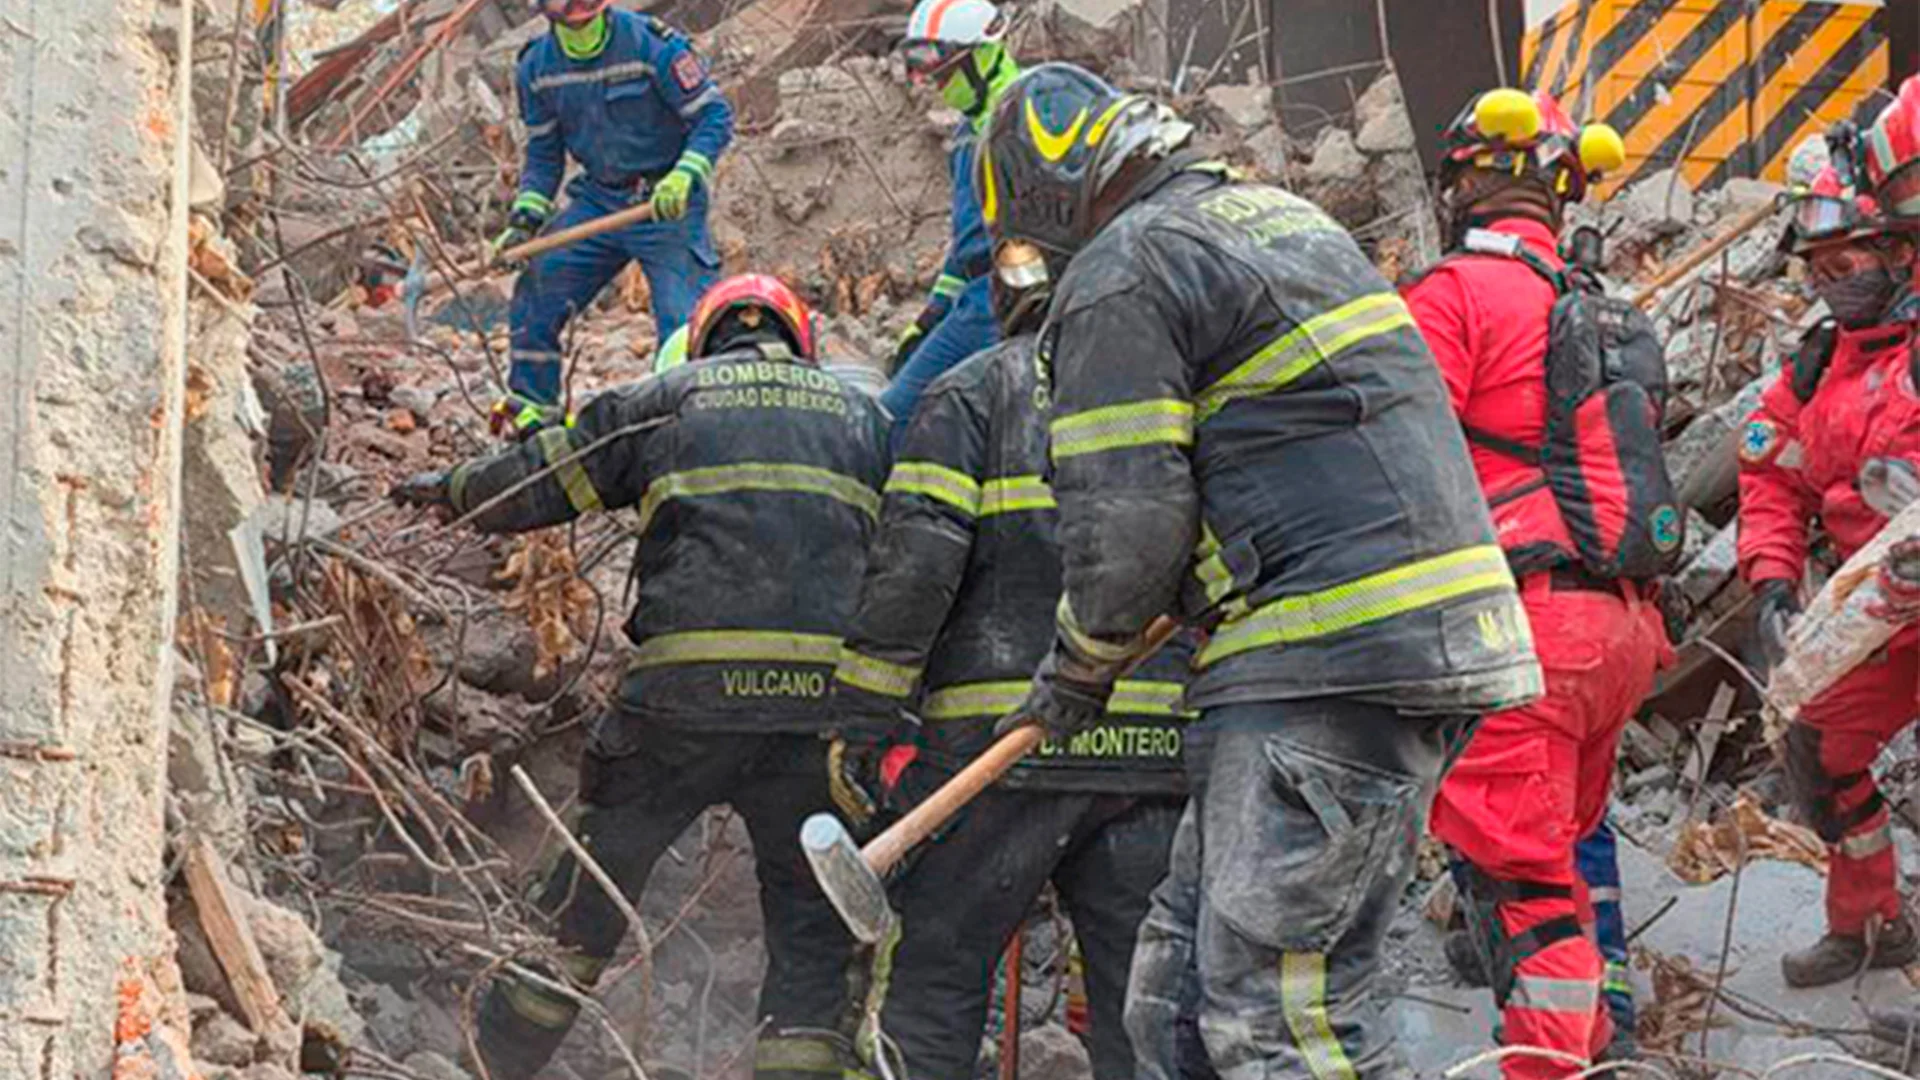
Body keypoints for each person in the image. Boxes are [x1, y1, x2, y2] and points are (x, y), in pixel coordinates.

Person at [974, 63, 1543, 1078]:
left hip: (1324, 663)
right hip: (1382, 649)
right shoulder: (1275, 220)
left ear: (1042, 202)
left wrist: (1076, 668)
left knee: (1276, 1026)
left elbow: (1131, 522)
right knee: (1176, 1002)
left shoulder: (1122, 269)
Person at [394, 275, 891, 1079]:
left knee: (587, 896)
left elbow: (541, 478)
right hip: (818, 717)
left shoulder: (665, 399)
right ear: (801, 341)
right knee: (810, 928)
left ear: (702, 339)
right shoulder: (868, 420)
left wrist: (448, 491)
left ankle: (496, 1064)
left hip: (678, 706)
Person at [831, 241, 1189, 1079]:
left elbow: (916, 566)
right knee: (1145, 1012)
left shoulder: (971, 391)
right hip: (1149, 754)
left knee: (930, 987)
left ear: (1006, 301)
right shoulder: (1170, 396)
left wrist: (863, 718)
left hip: (995, 759)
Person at [1402, 88, 1674, 1077]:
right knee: (1559, 855)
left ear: (1466, 181)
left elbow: (1394, 452)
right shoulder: (1594, 303)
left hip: (1525, 635)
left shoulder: (1457, 292)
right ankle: (1604, 1044)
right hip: (1622, 630)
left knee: (1523, 890)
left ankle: (1550, 1065)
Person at [1739, 112, 1920, 990]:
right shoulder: (1819, 366)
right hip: (1878, 610)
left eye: (1845, 265)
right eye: (1818, 270)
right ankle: (1872, 923)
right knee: (1819, 750)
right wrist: (1773, 581)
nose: (1830, 285)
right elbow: (1768, 474)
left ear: (1898, 248)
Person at [494, 0, 733, 438]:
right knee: (537, 289)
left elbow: (714, 116)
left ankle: (689, 429)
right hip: (599, 199)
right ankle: (535, 418)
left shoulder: (654, 45)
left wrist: (686, 173)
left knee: (685, 327)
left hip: (665, 205)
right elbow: (545, 154)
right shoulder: (535, 67)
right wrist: (525, 218)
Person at [879, 0, 1021, 438]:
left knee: (893, 419)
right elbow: (966, 248)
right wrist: (933, 314)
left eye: (943, 74)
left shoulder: (1020, 118)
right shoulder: (968, 130)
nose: (934, 85)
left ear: (982, 55)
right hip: (977, 295)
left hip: (1001, 300)